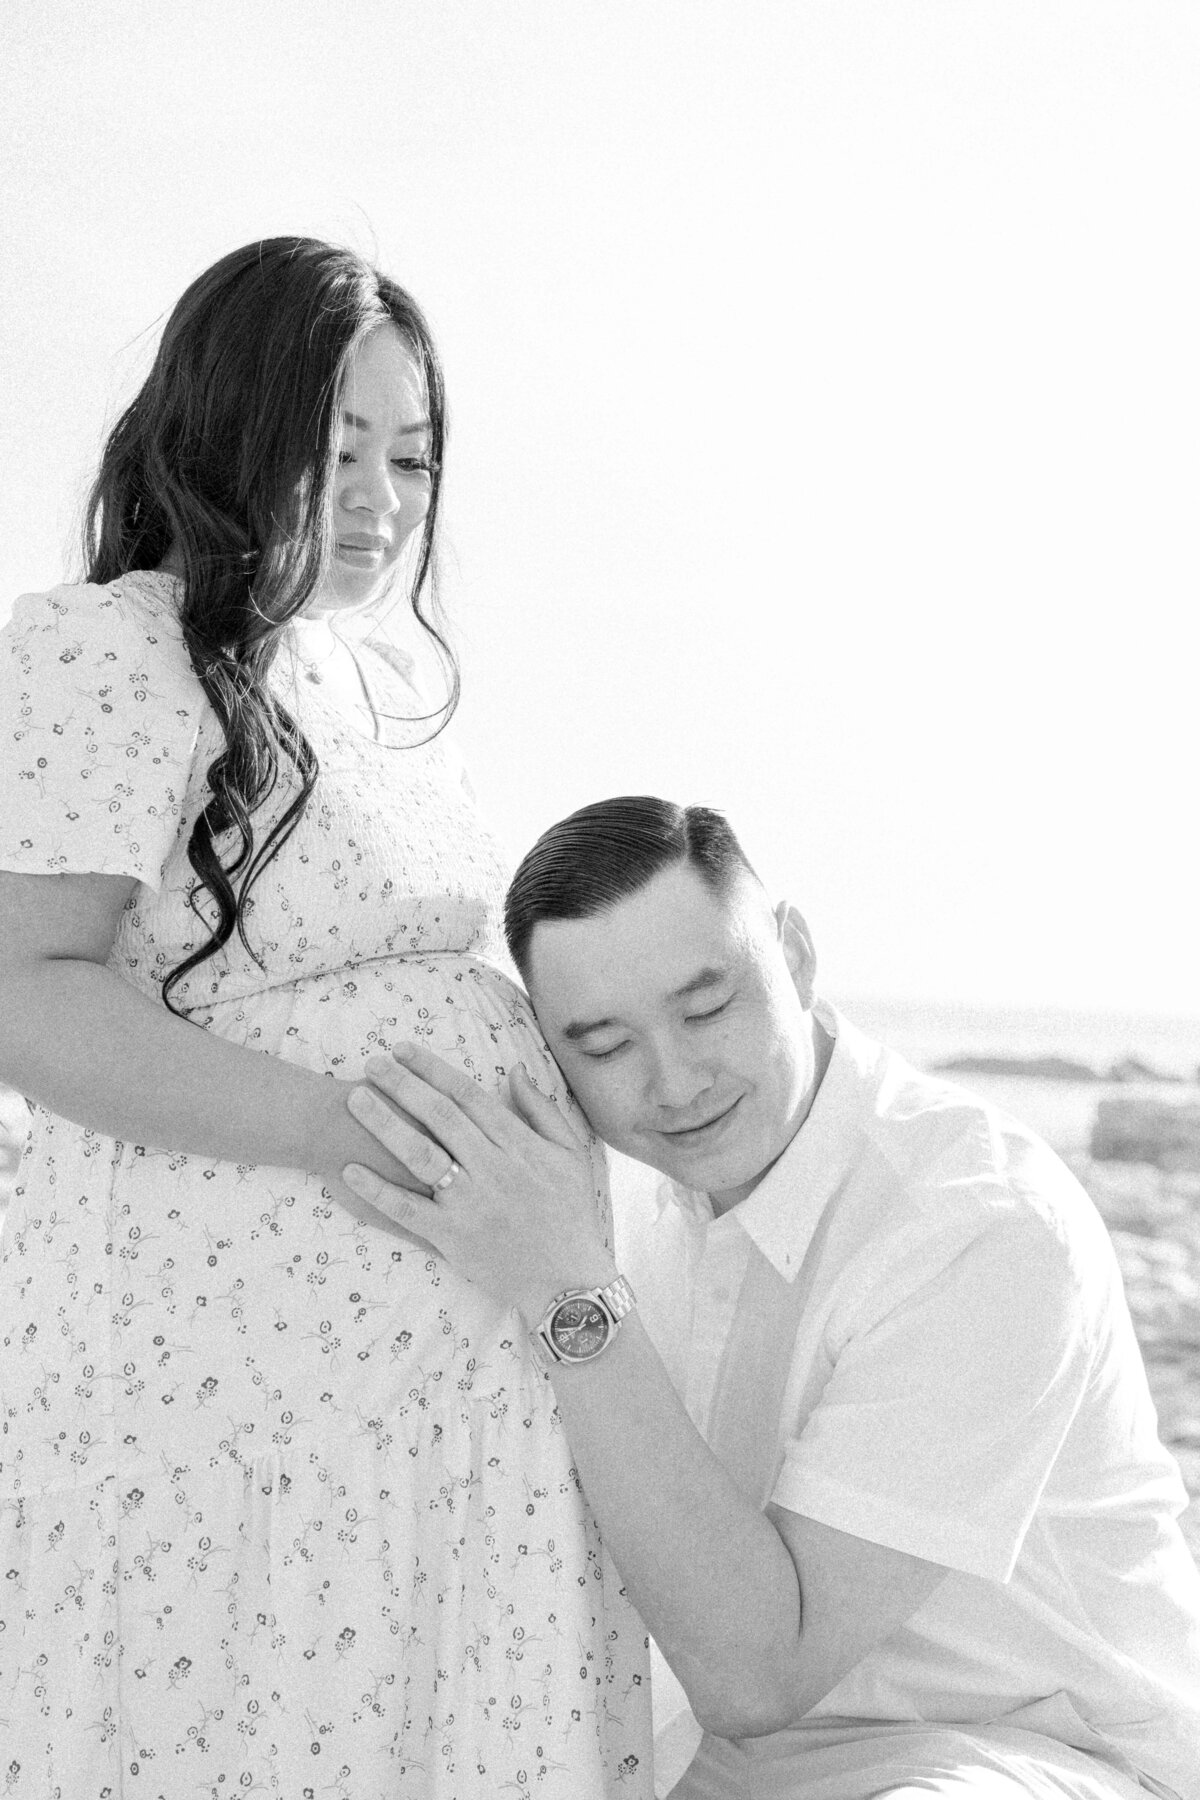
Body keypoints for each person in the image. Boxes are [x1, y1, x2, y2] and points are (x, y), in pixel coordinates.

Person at [0, 242, 651, 1800]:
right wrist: (372, 1134)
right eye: (334, 444)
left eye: (411, 456)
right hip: (223, 1417)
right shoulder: (106, 646)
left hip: (424, 1415)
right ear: (226, 432)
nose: (378, 495)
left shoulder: (360, 687)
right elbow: (26, 995)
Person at [343, 795, 1200, 1800]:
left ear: (794, 953)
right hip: (722, 1762)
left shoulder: (978, 1225)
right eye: (605, 1045)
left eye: (706, 1008)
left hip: (1022, 1756)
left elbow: (761, 1672)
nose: (675, 1082)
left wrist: (567, 1290)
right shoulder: (634, 1214)